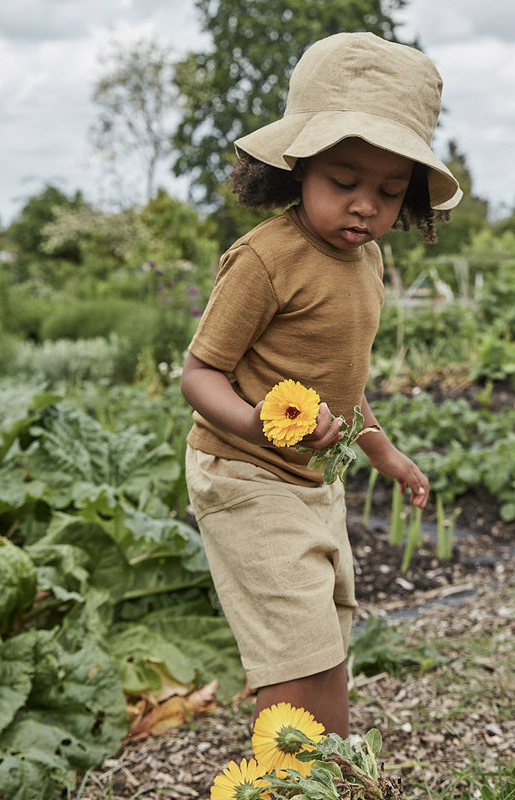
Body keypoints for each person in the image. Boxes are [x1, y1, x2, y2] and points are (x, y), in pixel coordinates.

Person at [181, 31, 462, 737]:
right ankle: (284, 781)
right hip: (245, 473)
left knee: (328, 643)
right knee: (293, 651)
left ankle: (333, 775)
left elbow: (342, 382)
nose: (365, 206)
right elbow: (200, 373)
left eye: (390, 190)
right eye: (344, 182)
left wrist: (382, 451)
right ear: (297, 166)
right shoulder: (265, 260)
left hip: (313, 480)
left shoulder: (365, 265)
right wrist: (253, 423)